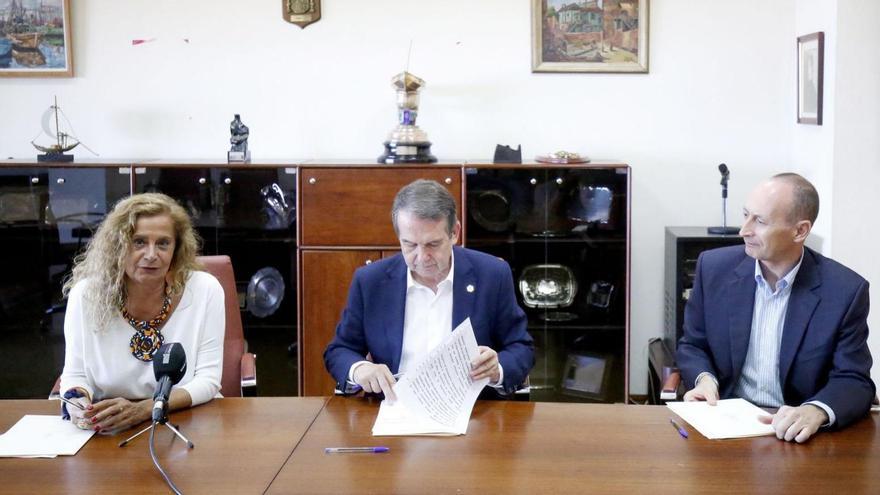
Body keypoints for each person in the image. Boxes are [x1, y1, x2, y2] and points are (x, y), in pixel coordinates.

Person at [677, 173, 874, 443]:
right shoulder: (713, 269)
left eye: (760, 221)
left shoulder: (844, 291)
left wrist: (815, 410)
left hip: (795, 432)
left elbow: (854, 378)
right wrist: (704, 379)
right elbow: (693, 344)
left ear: (800, 231)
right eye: (746, 215)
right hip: (725, 425)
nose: (744, 230)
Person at [324, 179, 534, 401]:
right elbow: (339, 350)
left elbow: (521, 347)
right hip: (396, 410)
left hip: (473, 412)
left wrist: (496, 369)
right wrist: (360, 369)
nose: (422, 257)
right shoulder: (370, 281)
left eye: (432, 244)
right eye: (410, 245)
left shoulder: (492, 275)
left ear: (455, 232)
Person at [59, 193, 225, 434]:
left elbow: (208, 381)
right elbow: (75, 374)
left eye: (163, 243)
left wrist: (144, 410)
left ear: (176, 249)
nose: (151, 254)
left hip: (188, 421)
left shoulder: (204, 290)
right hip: (109, 425)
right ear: (118, 246)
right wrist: (78, 402)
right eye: (139, 242)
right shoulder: (86, 295)